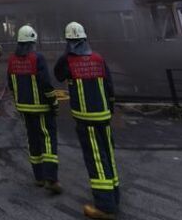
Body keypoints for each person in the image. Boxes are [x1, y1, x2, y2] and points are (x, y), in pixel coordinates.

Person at [54, 22, 119, 220]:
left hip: (86, 117)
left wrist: (66, 55)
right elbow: (109, 85)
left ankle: (105, 206)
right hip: (104, 115)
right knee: (107, 154)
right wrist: (110, 109)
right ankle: (114, 195)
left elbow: (58, 75)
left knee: (96, 159)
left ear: (68, 41)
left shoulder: (68, 60)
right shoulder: (98, 58)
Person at [7, 25, 62, 194]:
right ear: (32, 41)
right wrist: (53, 102)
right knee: (47, 138)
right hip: (41, 108)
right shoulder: (37, 58)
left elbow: (10, 84)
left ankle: (38, 177)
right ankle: (51, 178)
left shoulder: (11, 60)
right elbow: (46, 83)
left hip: (24, 108)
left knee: (32, 140)